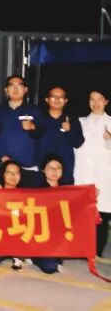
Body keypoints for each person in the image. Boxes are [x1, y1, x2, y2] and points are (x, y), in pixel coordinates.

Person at [75, 89, 111, 257]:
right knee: (82, 212)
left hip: (103, 175)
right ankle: (81, 246)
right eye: (92, 99)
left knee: (101, 213)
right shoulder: (80, 122)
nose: (96, 103)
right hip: (83, 173)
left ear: (106, 102)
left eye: (100, 99)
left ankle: (97, 249)